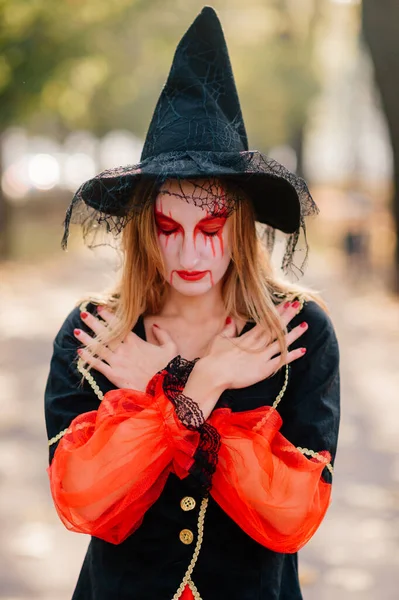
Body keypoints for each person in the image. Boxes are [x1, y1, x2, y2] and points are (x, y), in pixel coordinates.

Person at [45, 7, 340, 600]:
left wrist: (160, 390)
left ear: (242, 225)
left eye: (210, 227)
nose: (188, 251)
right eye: (166, 226)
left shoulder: (297, 330)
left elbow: (290, 513)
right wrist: (198, 387)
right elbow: (86, 498)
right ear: (140, 230)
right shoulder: (92, 333)